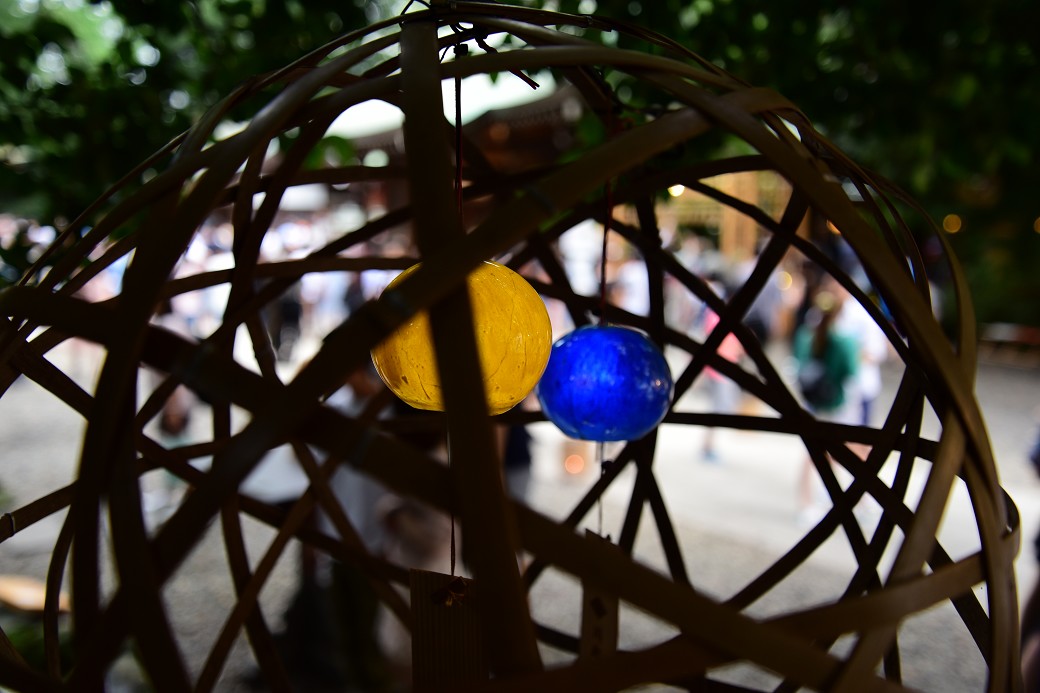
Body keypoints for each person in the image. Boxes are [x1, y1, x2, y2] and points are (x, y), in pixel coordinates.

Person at [793, 286, 859, 522]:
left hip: (812, 401)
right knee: (824, 452)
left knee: (816, 451)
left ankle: (811, 499)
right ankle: (810, 501)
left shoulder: (805, 335)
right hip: (835, 403)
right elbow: (851, 372)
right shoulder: (845, 342)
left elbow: (798, 364)